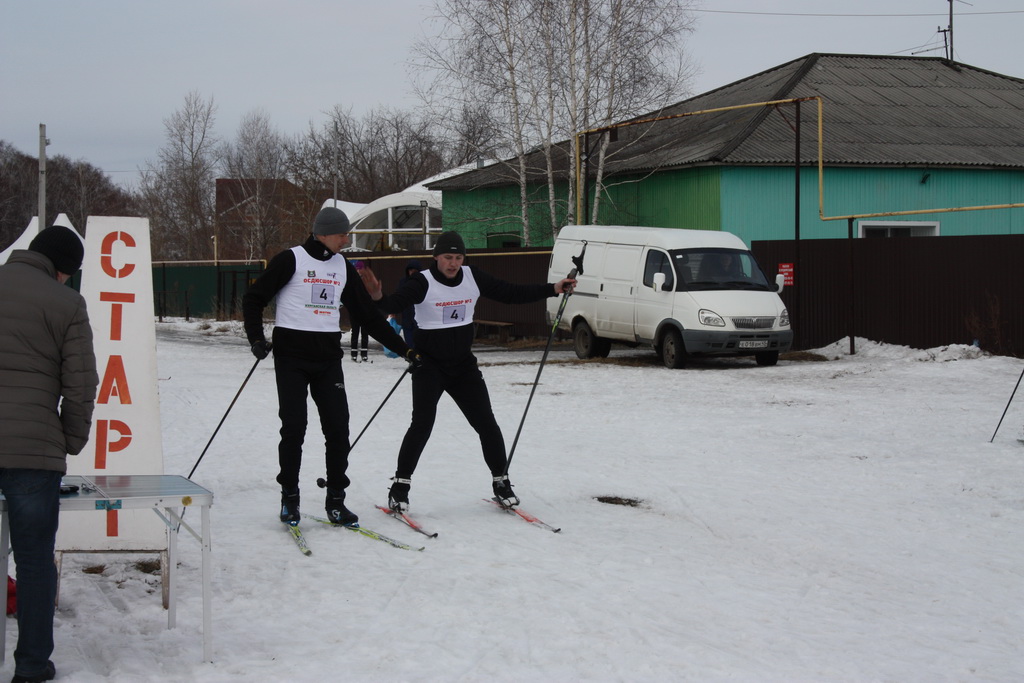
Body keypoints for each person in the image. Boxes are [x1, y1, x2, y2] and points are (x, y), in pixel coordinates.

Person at [360, 231, 576, 512]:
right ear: (436, 257)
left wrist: (553, 288)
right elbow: (393, 305)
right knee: (421, 426)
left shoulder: (472, 276)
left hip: (462, 366)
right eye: (448, 257)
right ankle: (400, 487)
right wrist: (378, 296)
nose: (453, 263)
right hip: (429, 366)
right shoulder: (421, 282)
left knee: (486, 423)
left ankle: (501, 481)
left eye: (458, 257)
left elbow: (510, 293)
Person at [242, 207, 417, 527]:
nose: (345, 240)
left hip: (327, 359)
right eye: (341, 234)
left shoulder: (342, 267)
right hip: (291, 357)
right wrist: (256, 338)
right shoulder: (291, 259)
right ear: (322, 233)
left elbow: (367, 316)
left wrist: (404, 349)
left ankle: (336, 499)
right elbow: (254, 298)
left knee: (338, 429)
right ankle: (290, 498)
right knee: (294, 428)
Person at [0, 225, 98, 683]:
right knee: (35, 559)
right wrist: (68, 441)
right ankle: (32, 665)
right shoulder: (67, 304)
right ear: (63, 272)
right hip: (34, 453)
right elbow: (80, 385)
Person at [348, 262, 370, 362]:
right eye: (357, 268)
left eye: (360, 268)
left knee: (365, 331)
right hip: (354, 310)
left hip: (365, 309)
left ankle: (364, 353)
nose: (358, 270)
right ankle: (353, 353)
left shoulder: (367, 280)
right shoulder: (352, 279)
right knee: (355, 331)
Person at [398, 259, 422, 347]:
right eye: (411, 270)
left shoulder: (423, 282)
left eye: (415, 271)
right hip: (407, 317)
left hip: (419, 317)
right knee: (409, 343)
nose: (412, 272)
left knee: (419, 343)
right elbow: (398, 297)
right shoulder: (403, 282)